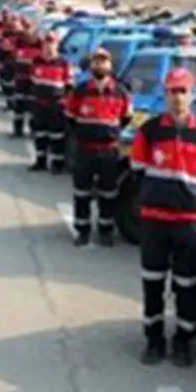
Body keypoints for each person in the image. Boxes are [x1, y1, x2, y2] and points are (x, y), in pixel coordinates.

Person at [128, 67, 196, 367]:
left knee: (186, 285)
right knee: (153, 283)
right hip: (155, 220)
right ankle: (154, 341)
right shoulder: (150, 130)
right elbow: (137, 171)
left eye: (182, 91)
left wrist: (190, 200)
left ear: (192, 95)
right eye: (172, 91)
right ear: (165, 94)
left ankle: (183, 343)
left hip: (188, 223)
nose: (177, 97)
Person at [63, 47, 132, 247]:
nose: (100, 64)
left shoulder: (121, 92)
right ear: (91, 65)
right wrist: (85, 134)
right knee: (82, 192)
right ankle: (82, 231)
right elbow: (70, 118)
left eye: (104, 61)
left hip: (109, 151)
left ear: (110, 66)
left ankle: (105, 231)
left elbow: (126, 118)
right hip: (85, 149)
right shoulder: (80, 90)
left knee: (108, 193)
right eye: (96, 61)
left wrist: (108, 134)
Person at [27, 34, 73, 173]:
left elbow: (69, 86)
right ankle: (40, 161)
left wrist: (64, 104)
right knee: (40, 133)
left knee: (56, 135)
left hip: (57, 105)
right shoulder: (36, 61)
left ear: (57, 45)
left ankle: (57, 164)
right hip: (40, 104)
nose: (49, 46)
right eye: (46, 43)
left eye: (52, 43)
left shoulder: (64, 63)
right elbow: (32, 80)